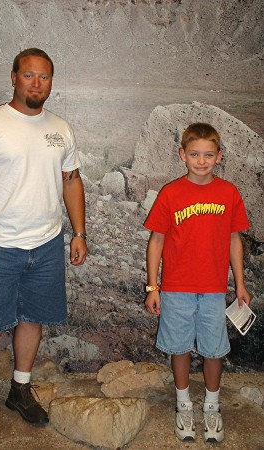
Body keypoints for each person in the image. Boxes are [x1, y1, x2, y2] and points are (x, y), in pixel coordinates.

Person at [0, 48, 87, 450]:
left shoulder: (61, 128)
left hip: (45, 244)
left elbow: (72, 180)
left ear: (51, 82)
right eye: (28, 75)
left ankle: (19, 390)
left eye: (44, 77)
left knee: (32, 320)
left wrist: (78, 231)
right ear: (13, 77)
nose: (36, 83)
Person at [144, 123, 251, 444]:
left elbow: (235, 240)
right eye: (194, 154)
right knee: (179, 347)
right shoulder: (171, 193)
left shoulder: (228, 193)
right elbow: (156, 241)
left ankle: (212, 407)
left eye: (208, 154)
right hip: (176, 289)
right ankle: (183, 404)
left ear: (219, 156)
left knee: (214, 349)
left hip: (214, 290)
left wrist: (240, 283)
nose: (201, 161)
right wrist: (153, 286)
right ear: (182, 155)